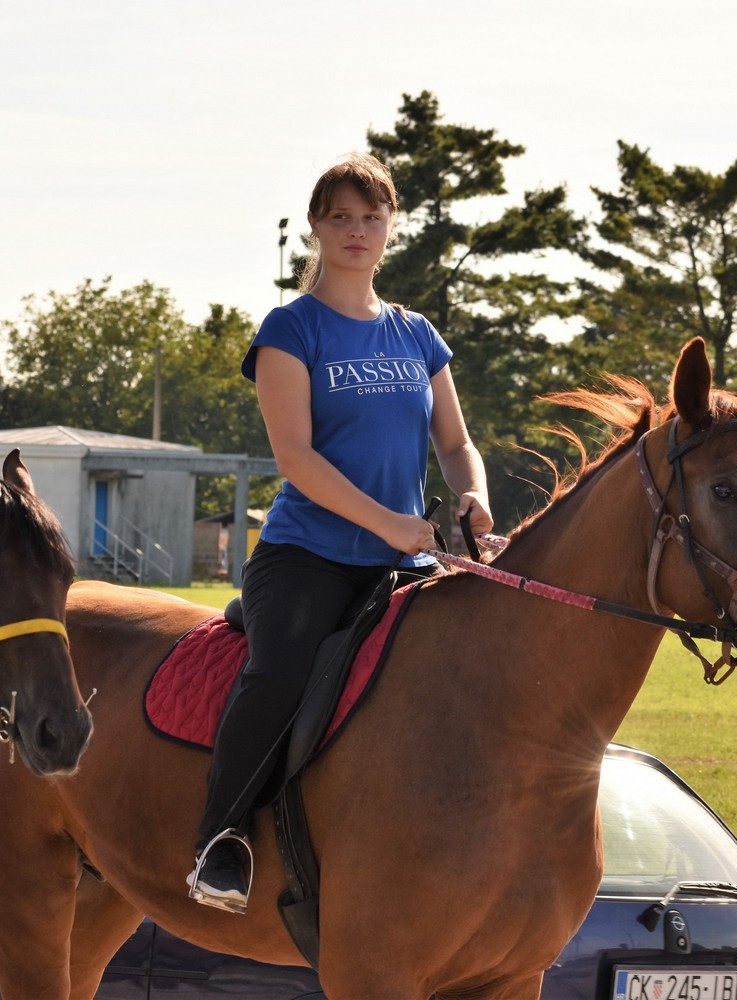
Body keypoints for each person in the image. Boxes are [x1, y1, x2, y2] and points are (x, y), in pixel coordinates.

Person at [188, 153, 494, 912]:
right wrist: (393, 523)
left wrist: (474, 496)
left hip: (407, 557)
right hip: (309, 557)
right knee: (282, 674)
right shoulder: (290, 329)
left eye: (372, 217)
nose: (358, 231)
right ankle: (220, 842)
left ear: (392, 227)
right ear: (317, 229)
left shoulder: (417, 334)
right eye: (341, 217)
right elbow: (295, 457)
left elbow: (455, 444)